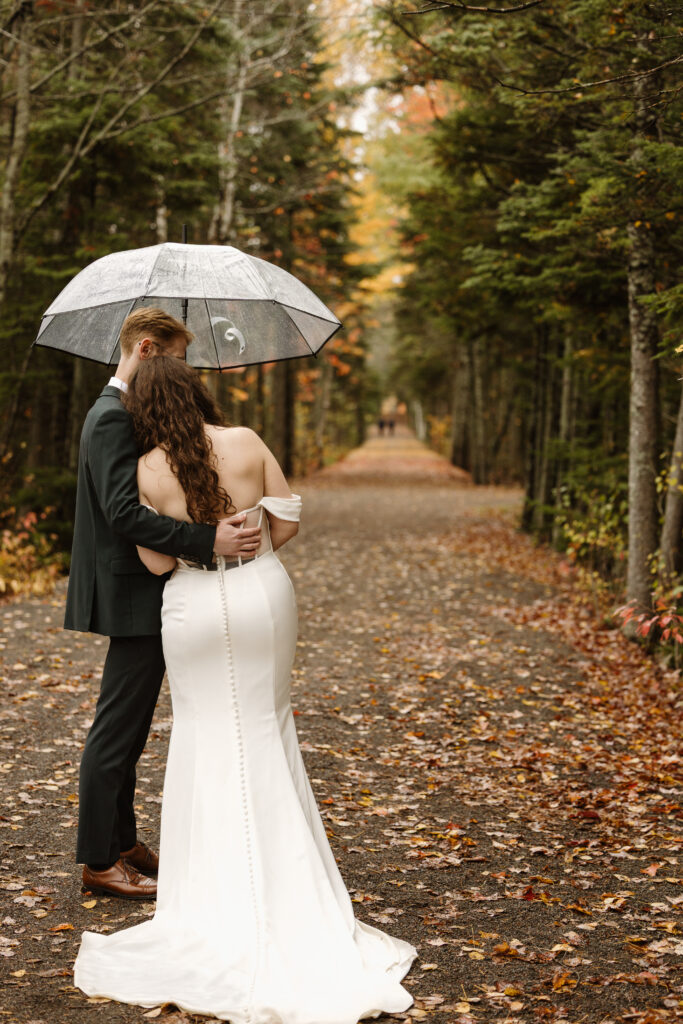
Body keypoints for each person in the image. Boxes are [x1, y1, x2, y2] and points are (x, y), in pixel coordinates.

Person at [73, 356, 416, 1024]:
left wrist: (201, 547)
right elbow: (286, 521)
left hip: (194, 610)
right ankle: (290, 886)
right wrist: (247, 550)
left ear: (145, 410)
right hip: (261, 596)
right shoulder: (249, 441)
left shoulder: (146, 469)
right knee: (266, 724)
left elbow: (155, 559)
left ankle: (209, 896)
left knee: (203, 735)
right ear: (199, 392)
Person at [65, 308, 261, 901]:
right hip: (130, 590)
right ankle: (99, 861)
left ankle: (122, 843)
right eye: (177, 357)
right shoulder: (108, 418)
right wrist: (208, 540)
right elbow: (125, 514)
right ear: (147, 349)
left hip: (145, 587)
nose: (184, 371)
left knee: (132, 726)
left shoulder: (123, 412)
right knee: (117, 729)